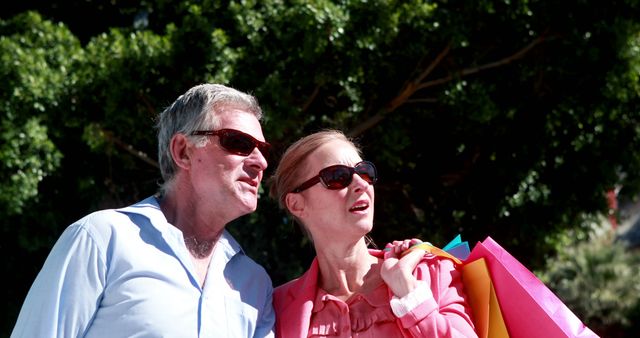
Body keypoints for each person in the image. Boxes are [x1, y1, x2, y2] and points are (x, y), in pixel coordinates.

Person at [11, 83, 276, 338]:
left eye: (263, 149)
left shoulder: (255, 285)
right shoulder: (102, 239)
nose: (260, 161)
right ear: (183, 151)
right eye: (239, 142)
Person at [268, 129, 477, 337]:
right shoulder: (277, 306)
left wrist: (410, 294)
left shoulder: (429, 272)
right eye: (338, 176)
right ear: (296, 204)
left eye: (365, 172)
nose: (361, 183)